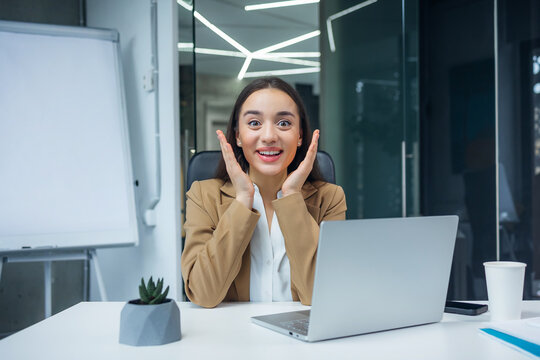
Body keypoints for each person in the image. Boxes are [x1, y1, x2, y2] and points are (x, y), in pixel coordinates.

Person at [181, 77, 347, 308]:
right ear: (237, 135)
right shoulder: (203, 196)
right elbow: (203, 294)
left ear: (300, 136)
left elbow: (321, 295)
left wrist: (291, 197)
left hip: (303, 337)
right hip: (232, 336)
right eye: (255, 123)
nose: (269, 136)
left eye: (284, 123)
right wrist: (242, 201)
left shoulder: (330, 198)